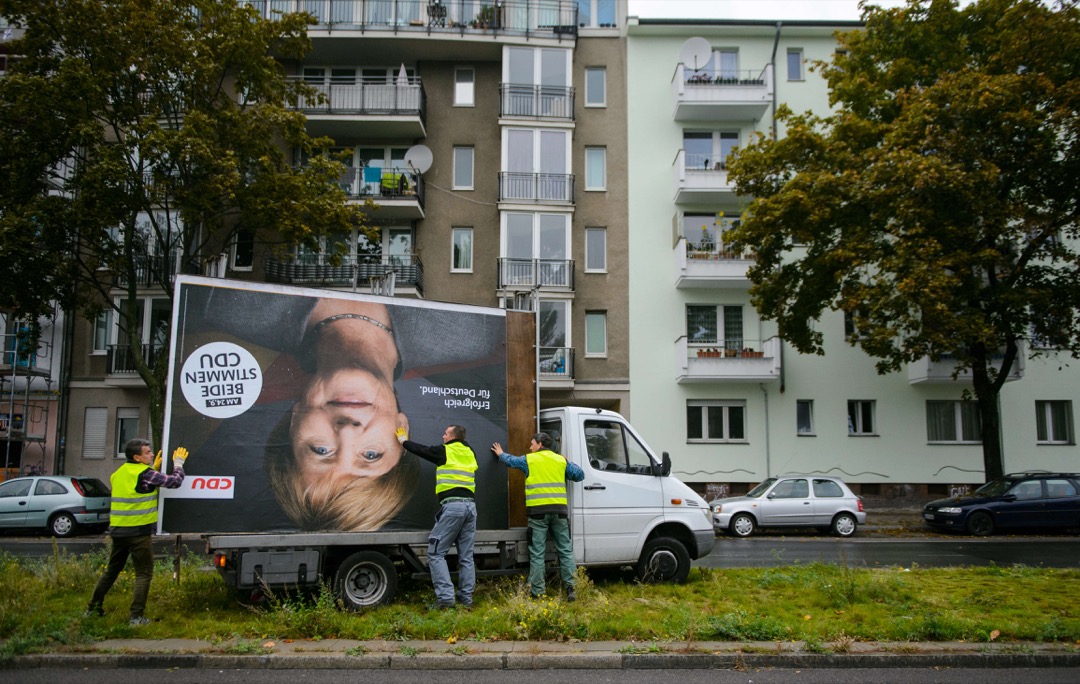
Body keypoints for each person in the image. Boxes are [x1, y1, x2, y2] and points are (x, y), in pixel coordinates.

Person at [265, 296, 419, 531]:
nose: (347, 430)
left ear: (294, 420)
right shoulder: (473, 337)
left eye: (321, 450)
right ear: (402, 428)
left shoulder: (227, 305)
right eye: (370, 455)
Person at [86, 438, 189, 625]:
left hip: (118, 531)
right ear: (137, 457)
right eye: (147, 453)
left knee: (111, 571)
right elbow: (175, 482)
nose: (151, 454)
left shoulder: (118, 473)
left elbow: (139, 489)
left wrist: (153, 468)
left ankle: (93, 608)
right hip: (138, 533)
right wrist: (178, 464)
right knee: (144, 573)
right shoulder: (145, 473)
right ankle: (136, 617)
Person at [491, 432, 584, 601]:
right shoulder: (560, 460)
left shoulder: (529, 460)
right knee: (565, 551)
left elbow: (512, 461)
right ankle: (572, 589)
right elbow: (579, 475)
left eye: (532, 443)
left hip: (538, 514)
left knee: (537, 553)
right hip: (559, 513)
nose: (530, 446)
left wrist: (500, 454)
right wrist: (567, 461)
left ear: (540, 445)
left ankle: (538, 592)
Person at [396, 424, 477, 609]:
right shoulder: (470, 452)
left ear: (453, 437)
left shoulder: (445, 451)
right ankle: (466, 600)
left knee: (435, 554)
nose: (443, 436)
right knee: (466, 556)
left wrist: (403, 441)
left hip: (453, 507)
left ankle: (446, 600)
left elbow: (422, 450)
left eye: (446, 433)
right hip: (470, 508)